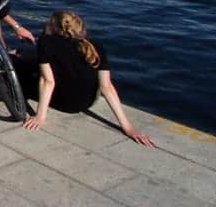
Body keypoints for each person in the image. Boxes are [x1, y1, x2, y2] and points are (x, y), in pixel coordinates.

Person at [21, 10, 156, 147]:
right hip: (87, 101)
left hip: (63, 102)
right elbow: (106, 87)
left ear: (54, 26)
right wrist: (128, 127)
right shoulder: (96, 45)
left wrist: (40, 117)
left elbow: (47, 81)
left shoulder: (45, 42)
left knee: (22, 68)